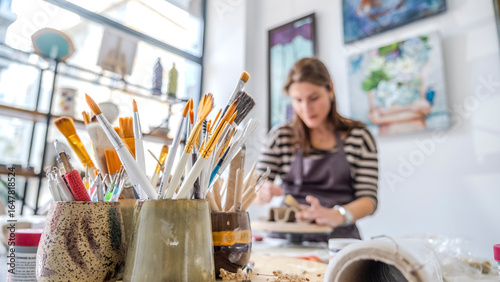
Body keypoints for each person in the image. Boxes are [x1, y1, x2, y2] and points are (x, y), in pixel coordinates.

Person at [255, 57, 378, 241]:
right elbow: (253, 192)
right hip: (286, 241)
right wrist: (261, 191)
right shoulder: (280, 136)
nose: (306, 108)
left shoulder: (358, 136)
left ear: (330, 90)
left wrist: (338, 215)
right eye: (298, 100)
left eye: (314, 98)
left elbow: (369, 200)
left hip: (339, 242)